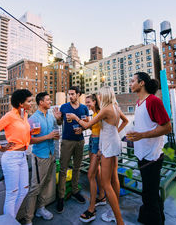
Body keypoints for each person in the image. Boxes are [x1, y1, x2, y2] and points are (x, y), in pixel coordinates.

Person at [69, 86, 128, 225]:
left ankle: (120, 221)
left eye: (100, 95)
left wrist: (76, 118)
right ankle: (115, 212)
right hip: (114, 141)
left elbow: (87, 124)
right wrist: (115, 133)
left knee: (106, 183)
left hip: (107, 144)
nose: (99, 97)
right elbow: (125, 121)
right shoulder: (115, 106)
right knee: (114, 178)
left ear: (105, 96)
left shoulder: (106, 109)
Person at [0, 89, 33, 219]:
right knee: (12, 194)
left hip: (23, 156)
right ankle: (9, 222)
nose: (32, 103)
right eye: (29, 101)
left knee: (24, 190)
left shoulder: (24, 115)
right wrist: (0, 148)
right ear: (20, 103)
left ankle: (10, 220)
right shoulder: (9, 116)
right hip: (11, 158)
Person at [127, 72, 172, 225]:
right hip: (142, 156)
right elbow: (144, 126)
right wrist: (135, 136)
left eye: (132, 81)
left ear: (142, 83)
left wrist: (142, 135)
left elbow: (167, 127)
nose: (130, 83)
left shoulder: (153, 101)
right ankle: (160, 219)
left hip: (152, 157)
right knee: (151, 194)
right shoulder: (139, 104)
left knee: (149, 197)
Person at [17, 92, 61, 225]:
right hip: (40, 156)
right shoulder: (33, 119)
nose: (50, 101)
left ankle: (41, 209)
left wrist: (58, 121)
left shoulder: (50, 116)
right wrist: (48, 137)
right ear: (40, 102)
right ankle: (28, 219)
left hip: (51, 153)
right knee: (35, 187)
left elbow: (56, 127)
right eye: (47, 99)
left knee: (46, 183)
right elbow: (29, 140)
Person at [55, 86, 89, 213]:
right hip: (67, 141)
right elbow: (59, 124)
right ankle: (61, 197)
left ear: (78, 94)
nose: (70, 96)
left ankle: (75, 191)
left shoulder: (84, 108)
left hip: (79, 141)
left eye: (73, 94)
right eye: (69, 94)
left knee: (77, 167)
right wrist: (58, 118)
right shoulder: (64, 107)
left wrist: (83, 129)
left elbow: (87, 123)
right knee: (63, 169)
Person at [79, 94, 106, 223]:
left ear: (95, 102)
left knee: (90, 175)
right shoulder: (94, 114)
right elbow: (92, 127)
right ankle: (101, 197)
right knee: (97, 170)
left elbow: (105, 131)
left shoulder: (100, 113)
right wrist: (86, 125)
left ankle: (91, 208)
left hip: (97, 143)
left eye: (88, 102)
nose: (87, 104)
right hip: (92, 140)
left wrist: (101, 148)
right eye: (86, 102)